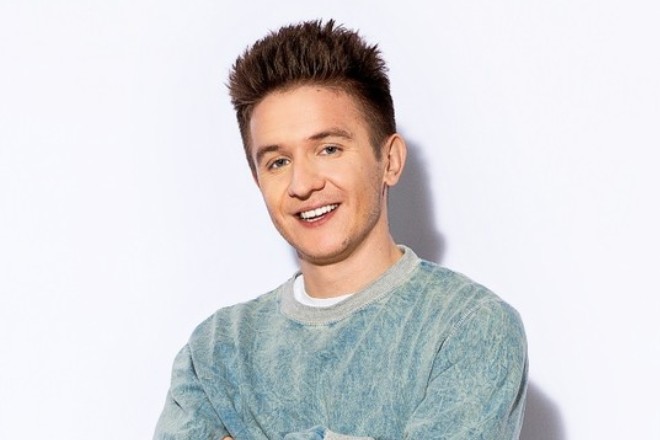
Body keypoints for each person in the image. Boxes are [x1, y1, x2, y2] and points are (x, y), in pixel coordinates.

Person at [154, 19, 528, 440]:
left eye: (329, 149)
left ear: (389, 161)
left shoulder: (468, 327)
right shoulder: (216, 351)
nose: (302, 184)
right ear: (258, 180)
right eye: (278, 162)